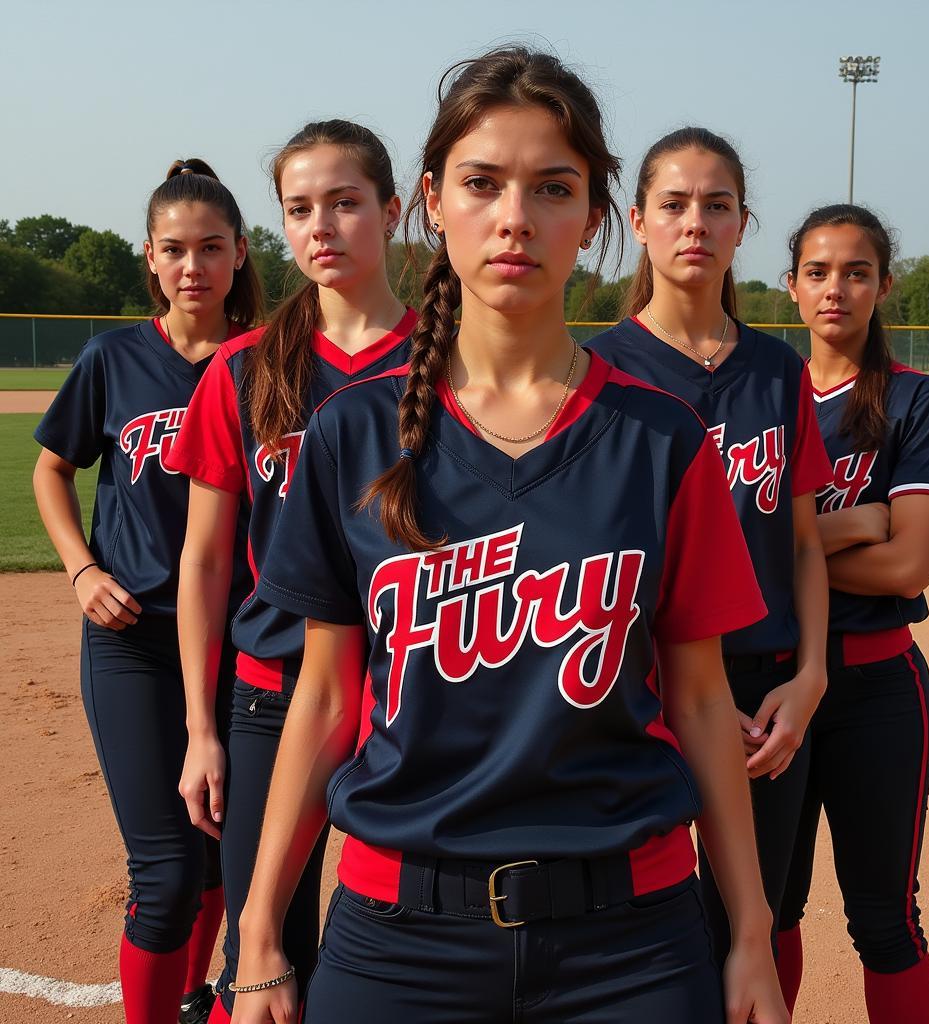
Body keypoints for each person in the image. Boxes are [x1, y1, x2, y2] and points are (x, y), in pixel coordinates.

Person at [229, 48, 789, 1024]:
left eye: (554, 187)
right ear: (434, 202)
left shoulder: (660, 441)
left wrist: (747, 934)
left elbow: (701, 702)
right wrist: (262, 932)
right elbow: (324, 696)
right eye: (483, 183)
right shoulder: (353, 435)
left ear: (595, 219)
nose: (516, 217)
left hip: (633, 939)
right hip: (398, 933)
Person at [165, 121, 415, 1021]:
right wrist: (201, 728)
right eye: (300, 208)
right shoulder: (243, 368)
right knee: (267, 960)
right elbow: (204, 561)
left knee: (414, 953)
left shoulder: (453, 360)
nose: (323, 226)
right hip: (276, 695)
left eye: (347, 203)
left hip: (413, 694)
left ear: (393, 211)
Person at [589, 127, 833, 972]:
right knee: (640, 922)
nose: (696, 222)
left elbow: (803, 543)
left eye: (717, 205)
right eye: (675, 204)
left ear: (741, 226)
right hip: (636, 684)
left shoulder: (777, 369)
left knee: (761, 909)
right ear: (639, 221)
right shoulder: (598, 369)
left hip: (766, 692)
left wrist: (810, 677)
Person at [32, 159, 263, 1024]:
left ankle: (194, 998)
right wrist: (82, 569)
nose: (193, 266)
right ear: (150, 258)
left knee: (214, 860)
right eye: (175, 250)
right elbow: (51, 471)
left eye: (211, 247)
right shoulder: (115, 357)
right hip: (134, 639)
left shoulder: (267, 361)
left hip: (241, 643)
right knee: (166, 872)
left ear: (241, 253)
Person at [777, 204, 929, 1024]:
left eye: (857, 272)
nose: (836, 289)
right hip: (769, 690)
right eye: (818, 272)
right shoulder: (760, 396)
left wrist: (789, 541)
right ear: (791, 288)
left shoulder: (915, 401)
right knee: (762, 910)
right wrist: (853, 521)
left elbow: (906, 564)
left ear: (883, 286)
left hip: (878, 696)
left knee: (884, 921)